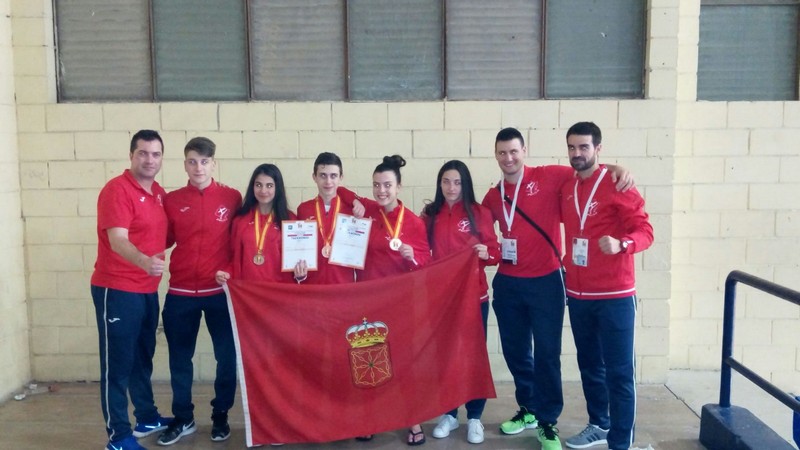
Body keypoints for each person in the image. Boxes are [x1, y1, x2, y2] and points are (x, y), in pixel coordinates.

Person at [481, 127, 633, 450]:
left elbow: (588, 168)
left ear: (524, 151)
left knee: (547, 354)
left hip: (547, 281)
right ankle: (529, 409)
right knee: (516, 352)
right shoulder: (493, 196)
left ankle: (547, 422)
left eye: (514, 151)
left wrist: (618, 168)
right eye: (502, 153)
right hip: (508, 284)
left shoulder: (549, 176)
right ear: (495, 155)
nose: (508, 158)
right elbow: (478, 228)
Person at [560, 122, 653, 450]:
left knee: (619, 373)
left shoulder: (617, 184)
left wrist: (622, 244)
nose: (577, 153)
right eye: (572, 147)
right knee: (590, 367)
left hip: (615, 296)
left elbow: (645, 231)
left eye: (584, 147)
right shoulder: (567, 184)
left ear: (598, 149)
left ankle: (620, 442)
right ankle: (599, 424)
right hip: (578, 296)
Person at [157, 138, 242, 446]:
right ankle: (183, 418)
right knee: (180, 360)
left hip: (219, 292)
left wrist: (229, 270)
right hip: (180, 292)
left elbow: (243, 239)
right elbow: (160, 238)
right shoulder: (172, 200)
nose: (198, 167)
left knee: (227, 358)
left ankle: (221, 415)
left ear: (213, 164)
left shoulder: (232, 197)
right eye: (192, 161)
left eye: (204, 162)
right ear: (185, 165)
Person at [90, 130, 171, 450]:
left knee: (142, 357)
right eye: (143, 153)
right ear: (131, 155)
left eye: (156, 154)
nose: (150, 160)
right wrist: (143, 261)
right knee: (117, 366)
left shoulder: (158, 193)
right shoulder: (117, 190)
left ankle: (146, 416)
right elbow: (118, 240)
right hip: (117, 289)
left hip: (147, 290)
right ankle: (118, 437)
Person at [420, 160, 500, 445]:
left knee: (472, 357)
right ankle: (450, 413)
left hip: (474, 297)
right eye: (446, 182)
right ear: (439, 184)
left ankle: (475, 417)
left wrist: (486, 253)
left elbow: (495, 251)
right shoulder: (430, 215)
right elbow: (422, 253)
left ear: (465, 184)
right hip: (442, 300)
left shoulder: (480, 213)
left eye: (457, 182)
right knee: (446, 356)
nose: (451, 187)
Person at [355, 155, 431, 445]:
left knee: (403, 362)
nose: (381, 190)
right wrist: (357, 206)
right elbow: (343, 192)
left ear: (399, 186)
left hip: (400, 303)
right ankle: (371, 419)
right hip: (369, 300)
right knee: (370, 360)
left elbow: (425, 263)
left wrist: (413, 257)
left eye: (387, 185)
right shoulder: (368, 213)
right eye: (376, 185)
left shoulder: (413, 222)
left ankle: (412, 419)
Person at [215, 164, 296, 284]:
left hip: (279, 290)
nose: (263, 191)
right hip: (248, 290)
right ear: (252, 187)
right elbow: (234, 258)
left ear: (277, 188)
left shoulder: (290, 220)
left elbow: (296, 262)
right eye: (258, 185)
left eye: (269, 185)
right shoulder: (240, 220)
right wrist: (226, 273)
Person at [294, 152, 359, 284]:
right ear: (314, 177)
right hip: (312, 288)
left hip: (343, 287)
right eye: (323, 175)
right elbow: (298, 249)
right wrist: (299, 275)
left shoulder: (352, 211)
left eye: (333, 176)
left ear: (341, 177)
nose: (328, 181)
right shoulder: (303, 209)